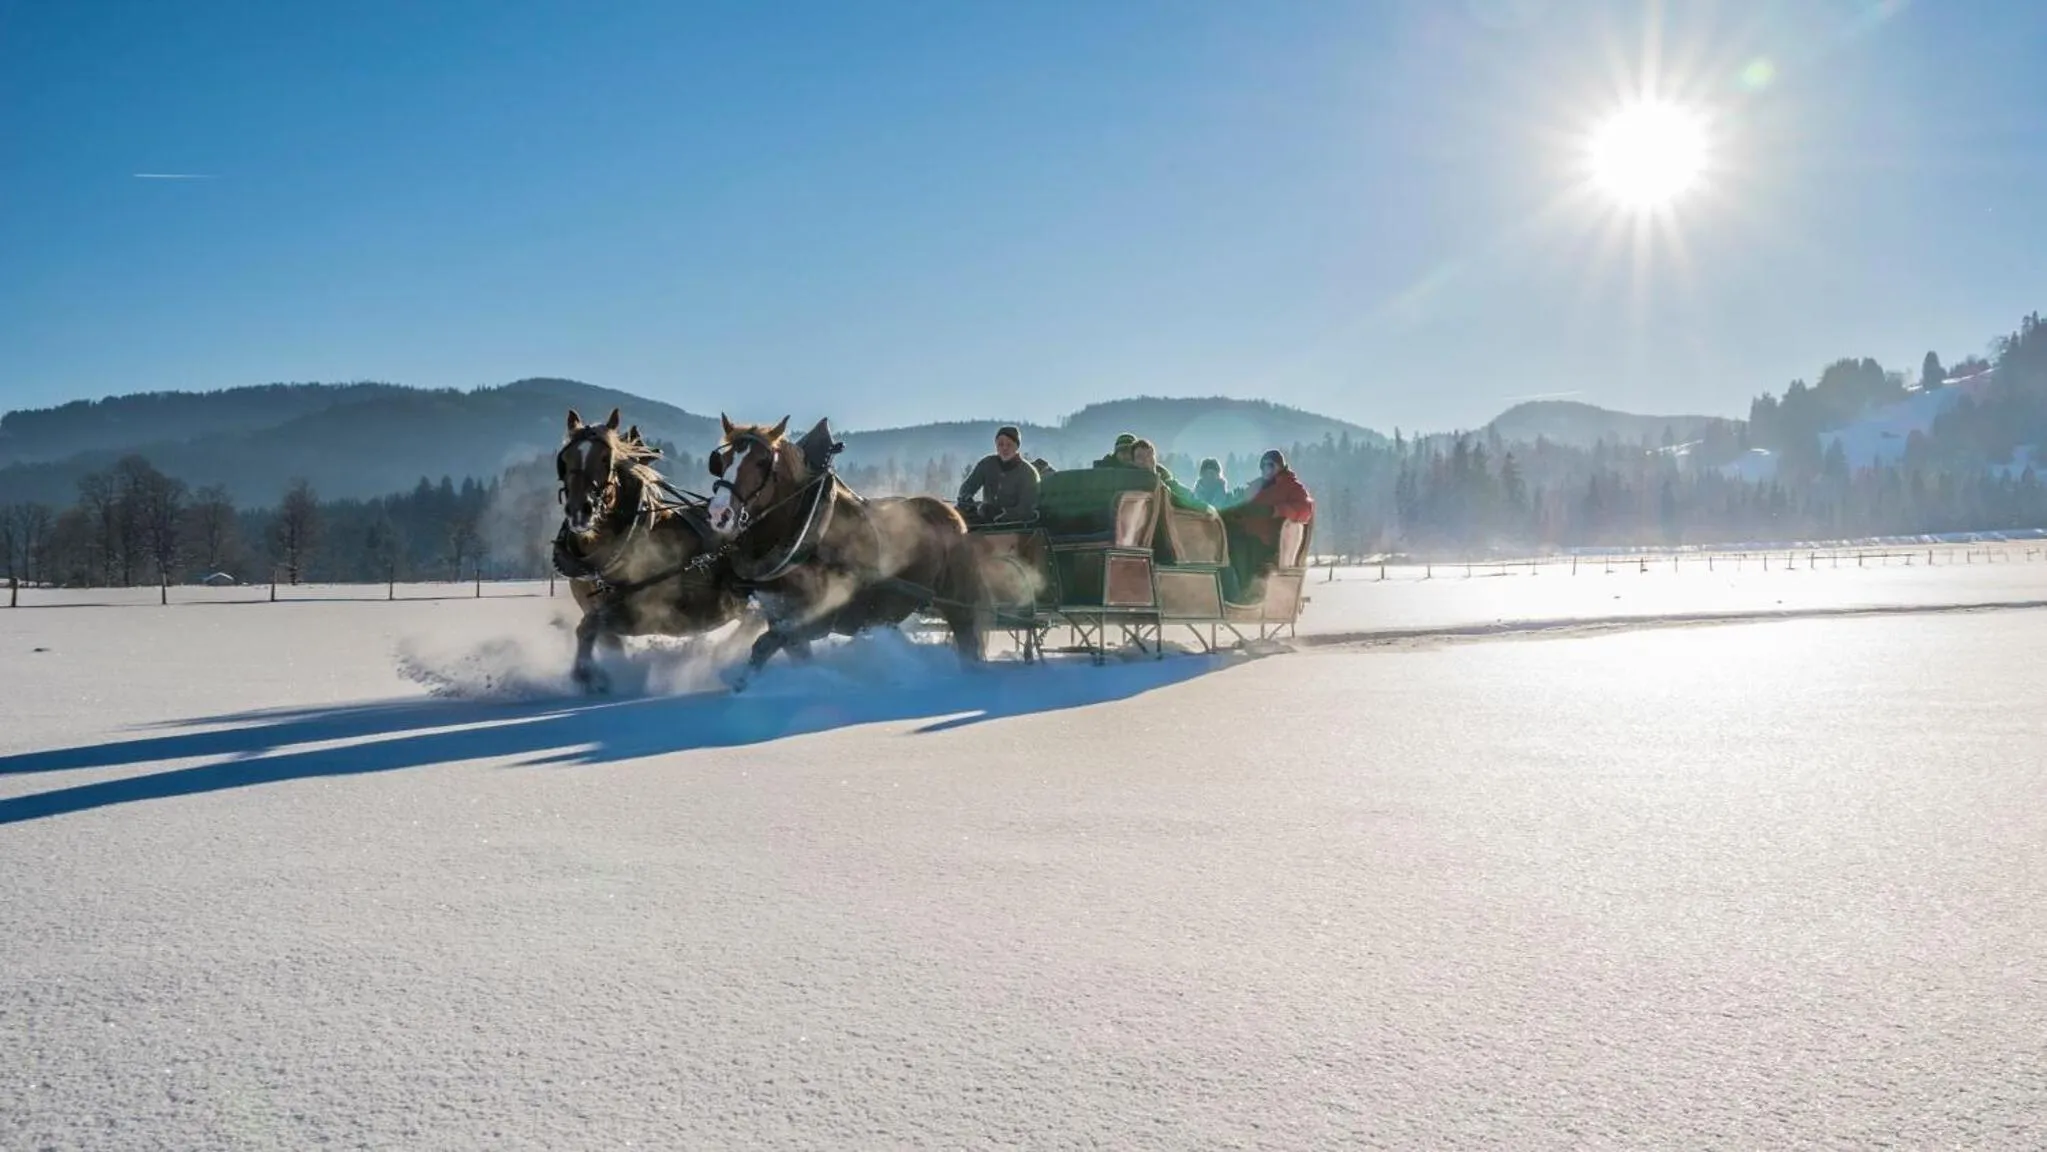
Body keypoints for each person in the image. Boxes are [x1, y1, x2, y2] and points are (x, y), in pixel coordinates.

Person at [1221, 449, 1314, 595]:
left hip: (1267, 540)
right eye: (1263, 466)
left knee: (1239, 548)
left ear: (1280, 466)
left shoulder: (1291, 486)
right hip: (1247, 530)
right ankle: (1230, 593)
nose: (1266, 469)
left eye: (1270, 465)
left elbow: (1305, 509)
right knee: (1224, 540)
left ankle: (1245, 593)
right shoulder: (1258, 486)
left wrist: (1277, 510)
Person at [956, 425, 1040, 525]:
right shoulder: (987, 464)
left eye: (1009, 445)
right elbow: (968, 486)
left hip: (1014, 526)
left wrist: (1001, 513)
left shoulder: (1028, 473)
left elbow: (1026, 508)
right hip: (984, 520)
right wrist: (967, 500)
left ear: (1017, 447)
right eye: (1000, 444)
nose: (1004, 448)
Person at [1131, 439, 1205, 511]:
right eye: (1140, 456)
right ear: (1133, 462)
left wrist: (1208, 509)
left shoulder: (1167, 482)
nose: (1146, 459)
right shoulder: (1132, 483)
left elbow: (1189, 499)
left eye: (1149, 454)